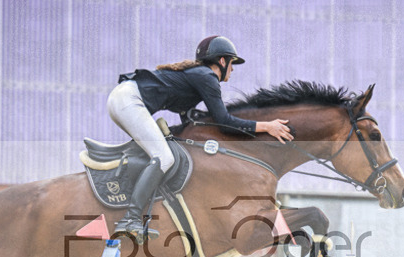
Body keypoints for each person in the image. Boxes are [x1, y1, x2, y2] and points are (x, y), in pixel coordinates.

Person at [107, 35, 294, 241]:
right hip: (128, 100)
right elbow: (224, 120)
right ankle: (131, 218)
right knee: (164, 157)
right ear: (222, 61)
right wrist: (267, 126)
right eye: (232, 63)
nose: (233, 69)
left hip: (125, 98)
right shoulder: (207, 77)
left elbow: (191, 120)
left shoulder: (198, 76)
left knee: (164, 151)